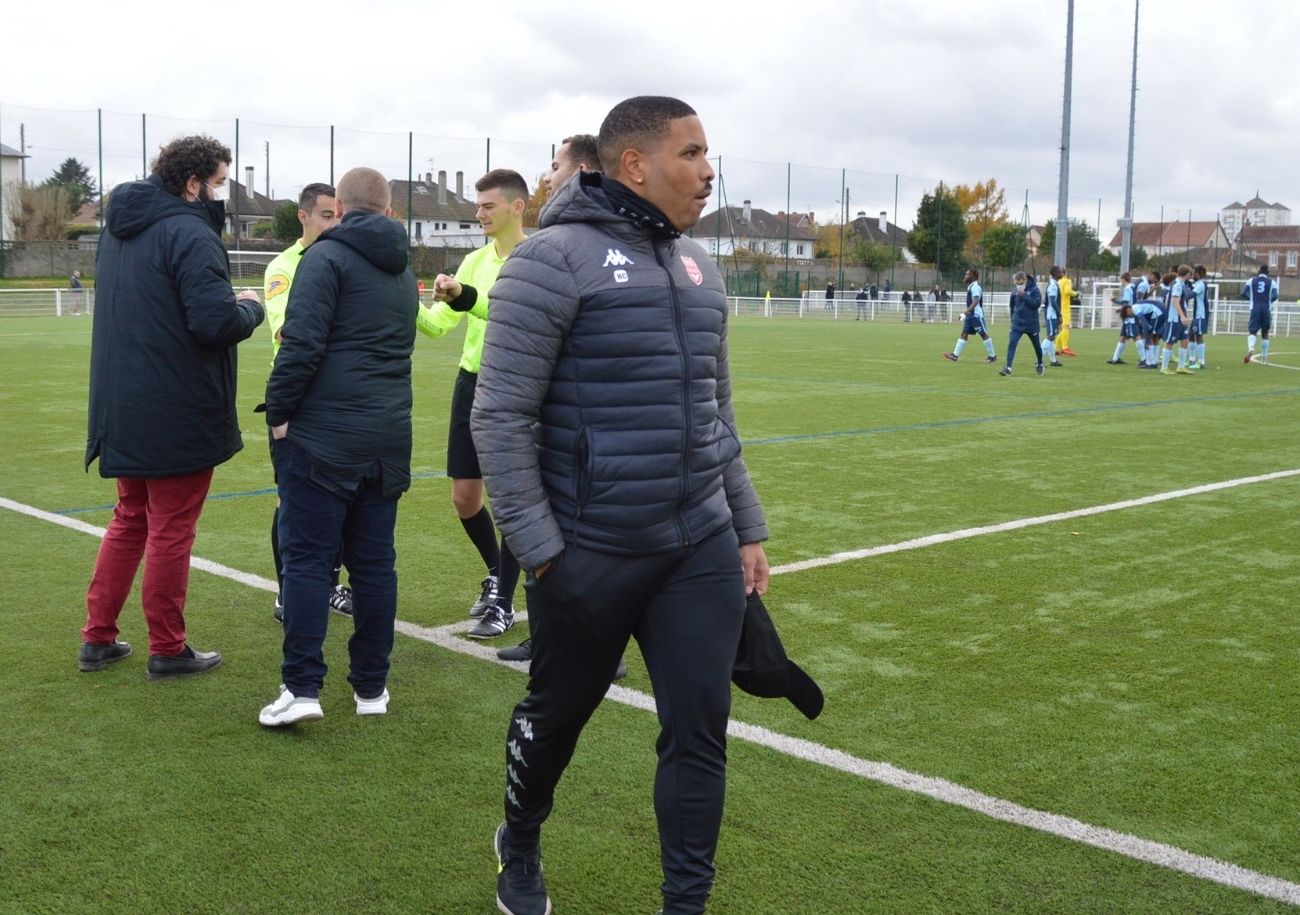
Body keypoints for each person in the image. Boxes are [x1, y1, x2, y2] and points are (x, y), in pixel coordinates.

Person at [473, 95, 770, 915]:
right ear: (635, 165)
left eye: (711, 154)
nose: (709, 171)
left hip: (697, 545)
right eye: (693, 153)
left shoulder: (699, 266)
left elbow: (719, 414)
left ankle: (686, 903)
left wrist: (745, 527)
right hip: (589, 550)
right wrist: (541, 549)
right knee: (558, 713)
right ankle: (520, 839)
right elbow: (499, 415)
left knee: (699, 729)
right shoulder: (549, 260)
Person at [80, 135, 264, 678]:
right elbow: (214, 324)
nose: (221, 195)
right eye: (219, 183)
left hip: (123, 405)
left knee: (130, 519)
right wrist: (249, 309)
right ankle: (167, 646)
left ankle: (98, 637)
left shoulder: (116, 231)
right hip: (175, 407)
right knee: (169, 528)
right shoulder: (190, 231)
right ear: (193, 183)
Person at [258, 167, 419, 727]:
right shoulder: (403, 270)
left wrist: (278, 413)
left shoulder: (324, 258)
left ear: (342, 208)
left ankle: (301, 687)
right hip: (388, 437)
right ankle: (371, 688)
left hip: (324, 437)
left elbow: (300, 345)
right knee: (375, 565)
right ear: (389, 210)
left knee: (307, 562)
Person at [495, 136, 628, 679]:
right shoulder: (550, 244)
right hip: (549, 425)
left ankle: (605, 651)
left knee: (590, 548)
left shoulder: (600, 249)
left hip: (591, 440)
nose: (547, 175)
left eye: (555, 165)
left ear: (584, 169)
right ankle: (544, 636)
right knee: (539, 531)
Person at [416, 169, 530, 639]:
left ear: (516, 207)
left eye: (488, 206)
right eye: (478, 206)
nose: (479, 213)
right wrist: (402, 301)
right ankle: (495, 574)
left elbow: (508, 310)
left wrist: (467, 297)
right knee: (465, 498)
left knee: (513, 500)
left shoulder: (536, 258)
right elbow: (441, 323)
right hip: (471, 383)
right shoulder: (473, 260)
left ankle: (502, 602)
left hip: (519, 385)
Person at [263, 183, 347, 623]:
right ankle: (286, 590)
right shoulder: (283, 267)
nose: (335, 223)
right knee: (290, 500)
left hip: (338, 397)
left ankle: (330, 583)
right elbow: (286, 329)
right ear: (303, 217)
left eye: (339, 215)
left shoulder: (344, 260)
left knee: (343, 496)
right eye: (326, 216)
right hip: (297, 396)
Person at [943, 268, 997, 363]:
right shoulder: (971, 287)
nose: (965, 276)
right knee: (964, 334)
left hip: (975, 316)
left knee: (983, 334)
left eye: (967, 275)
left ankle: (992, 356)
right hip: (970, 315)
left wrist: (965, 312)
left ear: (972, 276)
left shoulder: (975, 287)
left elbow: (975, 302)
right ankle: (955, 356)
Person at [998, 271, 1046, 377]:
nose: (1019, 285)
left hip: (1031, 324)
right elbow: (1012, 306)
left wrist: (1025, 295)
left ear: (1026, 280)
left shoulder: (1034, 290)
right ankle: (1008, 368)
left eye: (1021, 283)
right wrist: (1013, 318)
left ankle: (1040, 363)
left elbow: (1036, 304)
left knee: (1037, 346)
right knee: (1012, 343)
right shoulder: (1014, 291)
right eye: (1017, 283)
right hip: (1017, 324)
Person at [1159, 266, 1194, 375]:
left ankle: (1181, 367)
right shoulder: (1177, 285)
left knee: (1185, 341)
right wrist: (1182, 316)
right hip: (1174, 319)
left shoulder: (1181, 284)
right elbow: (1175, 301)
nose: (1190, 275)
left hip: (1179, 319)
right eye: (1190, 273)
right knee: (1169, 342)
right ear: (1187, 273)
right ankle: (1164, 367)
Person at [1242, 263, 1278, 364]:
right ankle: (1264, 358)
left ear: (1259, 272)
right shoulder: (1272, 282)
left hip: (1255, 309)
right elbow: (1275, 296)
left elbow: (1243, 293)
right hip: (1266, 309)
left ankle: (1251, 349)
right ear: (1268, 273)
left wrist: (1252, 299)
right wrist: (1267, 301)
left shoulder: (1251, 281)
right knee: (1265, 332)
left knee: (1252, 331)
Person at [1107, 272, 1138, 365]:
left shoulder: (1128, 288)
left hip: (1130, 315)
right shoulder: (1133, 287)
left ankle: (1147, 360)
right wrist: (1121, 310)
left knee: (1137, 337)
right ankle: (1115, 358)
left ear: (1123, 279)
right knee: (1123, 337)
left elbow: (1125, 302)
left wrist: (1114, 300)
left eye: (1121, 279)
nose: (1121, 281)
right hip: (1132, 313)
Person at [1041, 267, 1066, 367]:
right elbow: (1052, 301)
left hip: (1052, 314)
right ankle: (1039, 360)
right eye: (1060, 272)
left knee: (1052, 337)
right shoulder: (1052, 285)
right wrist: (1059, 314)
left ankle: (1053, 361)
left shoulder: (1055, 284)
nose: (1062, 273)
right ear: (1055, 273)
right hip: (1052, 314)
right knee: (1050, 336)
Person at [1188, 264, 1210, 369]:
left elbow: (1190, 295)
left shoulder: (1201, 284)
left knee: (1199, 336)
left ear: (1197, 273)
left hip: (1201, 314)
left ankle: (1201, 362)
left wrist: (1183, 291)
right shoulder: (1198, 284)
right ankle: (1192, 360)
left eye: (1193, 273)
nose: (1192, 275)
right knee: (1191, 335)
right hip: (1197, 314)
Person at [1055, 267, 1077, 356]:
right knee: (1065, 327)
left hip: (1059, 307)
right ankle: (1064, 347)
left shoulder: (1058, 282)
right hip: (1065, 308)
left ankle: (1056, 348)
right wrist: (1076, 293)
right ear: (1065, 273)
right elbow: (1068, 291)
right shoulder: (1067, 281)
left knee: (1062, 328)